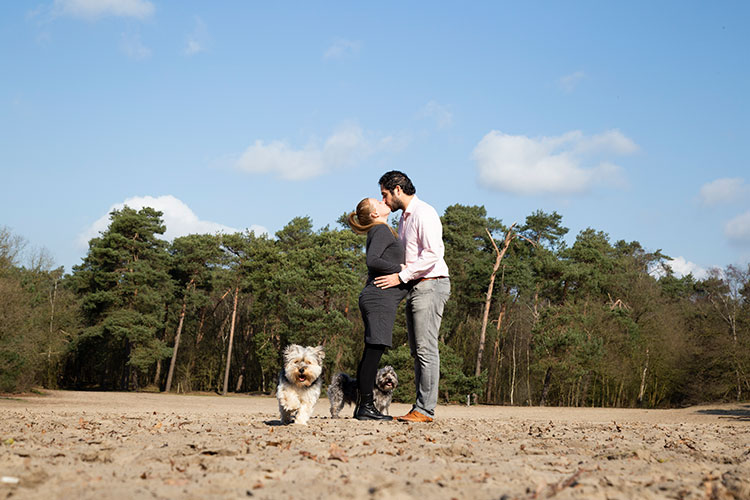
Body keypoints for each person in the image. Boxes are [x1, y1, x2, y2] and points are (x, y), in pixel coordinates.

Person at [374, 171, 450, 423]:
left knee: (426, 349)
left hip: (431, 284)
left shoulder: (424, 213)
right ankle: (420, 407)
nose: (383, 201)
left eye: (385, 194)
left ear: (397, 189)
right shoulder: (404, 220)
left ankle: (425, 410)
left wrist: (401, 276)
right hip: (416, 286)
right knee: (417, 351)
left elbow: (433, 254)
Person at [347, 197, 409, 421]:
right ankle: (366, 406)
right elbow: (372, 260)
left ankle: (363, 406)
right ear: (374, 213)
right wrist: (401, 269)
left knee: (371, 353)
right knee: (373, 354)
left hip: (379, 299)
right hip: (379, 299)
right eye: (379, 202)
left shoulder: (382, 229)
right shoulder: (380, 230)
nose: (384, 201)